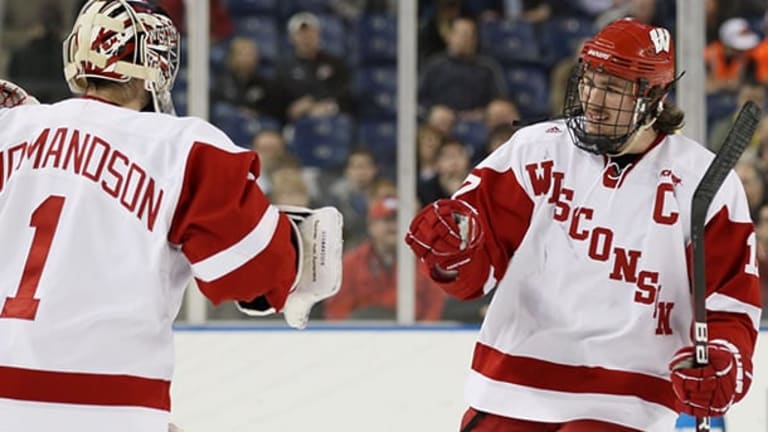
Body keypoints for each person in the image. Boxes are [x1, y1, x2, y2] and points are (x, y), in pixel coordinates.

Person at [0, 1, 342, 431]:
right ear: (159, 62)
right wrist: (290, 247)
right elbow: (253, 275)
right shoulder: (183, 148)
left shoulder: (12, 130)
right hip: (109, 402)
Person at [406, 18, 761, 432]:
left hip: (629, 403)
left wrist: (724, 361)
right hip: (511, 387)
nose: (592, 99)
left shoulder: (704, 181)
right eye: (589, 81)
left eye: (611, 89)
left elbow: (730, 304)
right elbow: (474, 275)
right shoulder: (535, 151)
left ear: (654, 97)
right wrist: (452, 254)